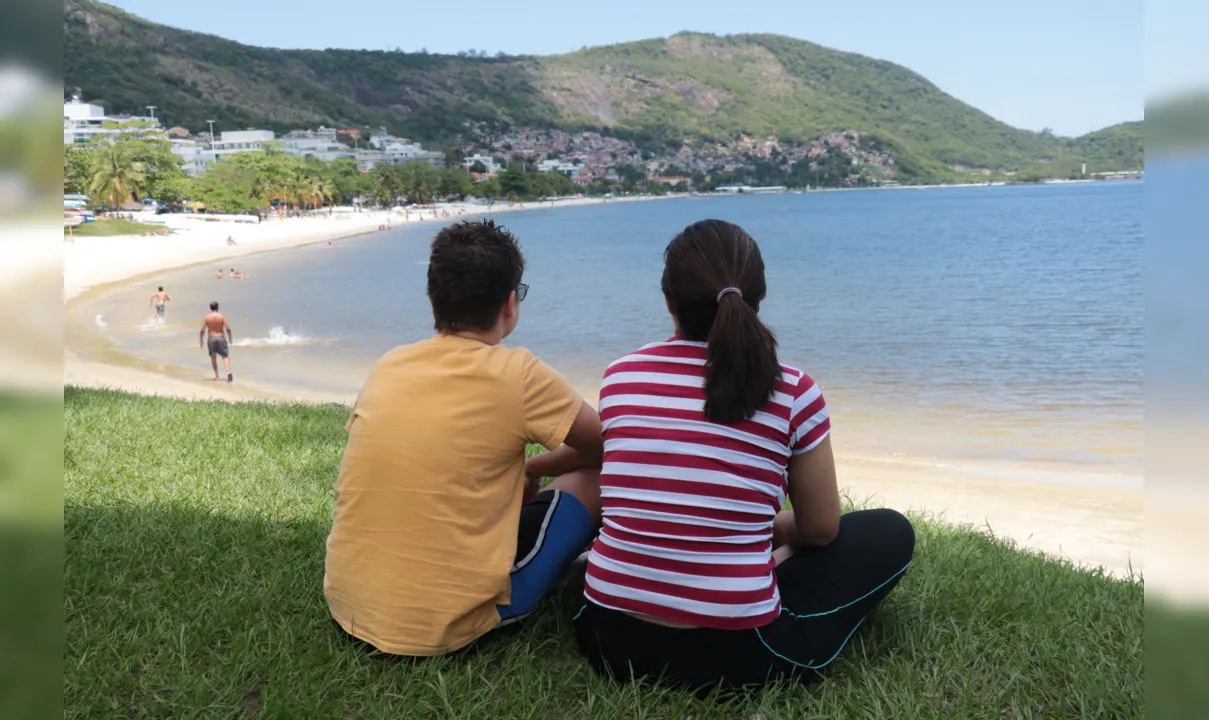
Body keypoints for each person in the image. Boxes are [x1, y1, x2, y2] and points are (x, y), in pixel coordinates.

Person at [569, 219, 915, 693]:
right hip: (737, 655)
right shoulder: (793, 389)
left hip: (605, 636)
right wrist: (764, 529)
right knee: (887, 531)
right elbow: (820, 529)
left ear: (669, 300)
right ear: (757, 299)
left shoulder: (620, 376)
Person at [324, 219, 604, 657]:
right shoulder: (519, 374)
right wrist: (537, 467)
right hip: (448, 623)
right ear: (510, 303)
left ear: (434, 297)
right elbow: (606, 447)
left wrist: (527, 470)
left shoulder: (389, 365)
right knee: (592, 480)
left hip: (351, 606)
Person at [199, 301, 233, 382]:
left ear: (210, 308)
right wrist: (230, 337)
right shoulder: (221, 316)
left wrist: (201, 340)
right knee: (224, 356)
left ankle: (217, 376)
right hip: (221, 337)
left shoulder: (207, 317)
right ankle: (228, 373)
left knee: (213, 357)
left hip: (211, 338)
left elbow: (202, 330)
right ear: (217, 307)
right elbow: (227, 328)